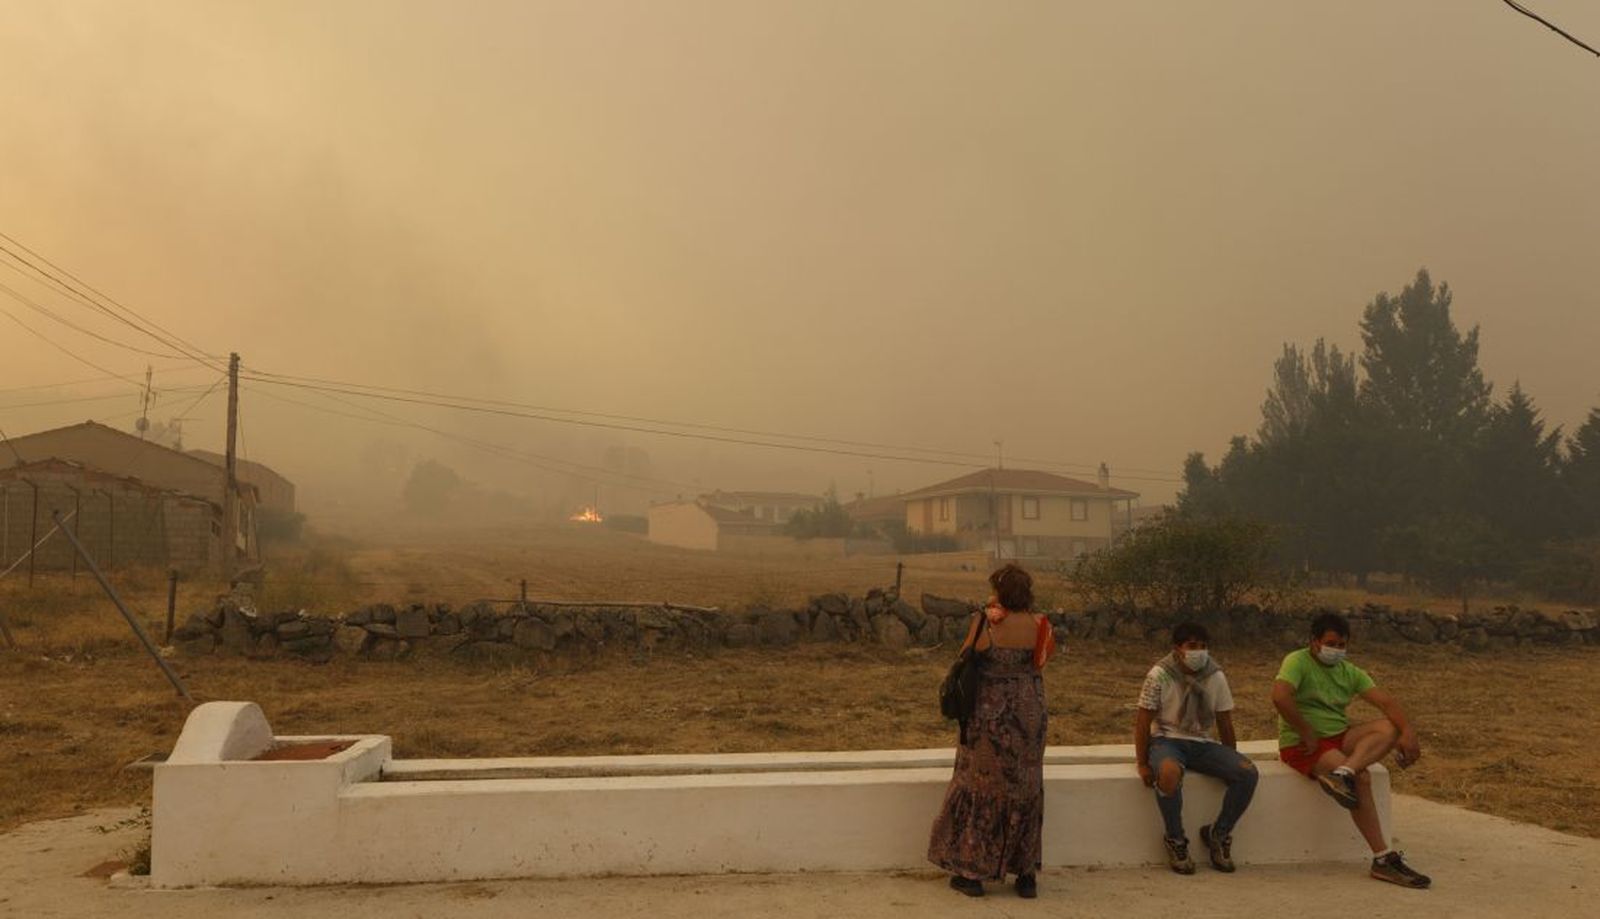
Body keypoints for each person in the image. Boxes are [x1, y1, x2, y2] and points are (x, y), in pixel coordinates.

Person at [1272, 611, 1431, 889]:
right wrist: (1306, 731)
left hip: (1339, 736)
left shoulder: (1350, 672)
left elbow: (1387, 703)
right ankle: (1383, 858)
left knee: (1388, 728)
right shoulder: (1297, 661)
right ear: (1314, 641)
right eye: (1331, 643)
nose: (1336, 650)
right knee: (1363, 779)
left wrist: (1409, 734)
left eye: (1342, 645)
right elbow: (1280, 696)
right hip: (1302, 743)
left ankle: (1344, 771)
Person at [927, 562, 1057, 899]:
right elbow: (1042, 660)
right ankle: (1025, 875)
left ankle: (972, 874)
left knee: (982, 788)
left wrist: (989, 614)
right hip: (1030, 713)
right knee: (1025, 788)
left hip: (991, 715)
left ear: (999, 591)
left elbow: (966, 654)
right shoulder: (1041, 624)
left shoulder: (985, 622)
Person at [1134, 621, 1258, 874]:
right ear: (1177, 648)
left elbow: (1224, 720)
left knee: (1247, 772)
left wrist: (1230, 759)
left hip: (1202, 742)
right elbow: (1143, 720)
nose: (1198, 652)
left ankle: (1218, 834)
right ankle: (1175, 839)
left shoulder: (1215, 676)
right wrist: (1142, 763)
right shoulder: (1159, 674)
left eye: (1203, 646)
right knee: (1168, 773)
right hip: (1167, 740)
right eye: (1192, 646)